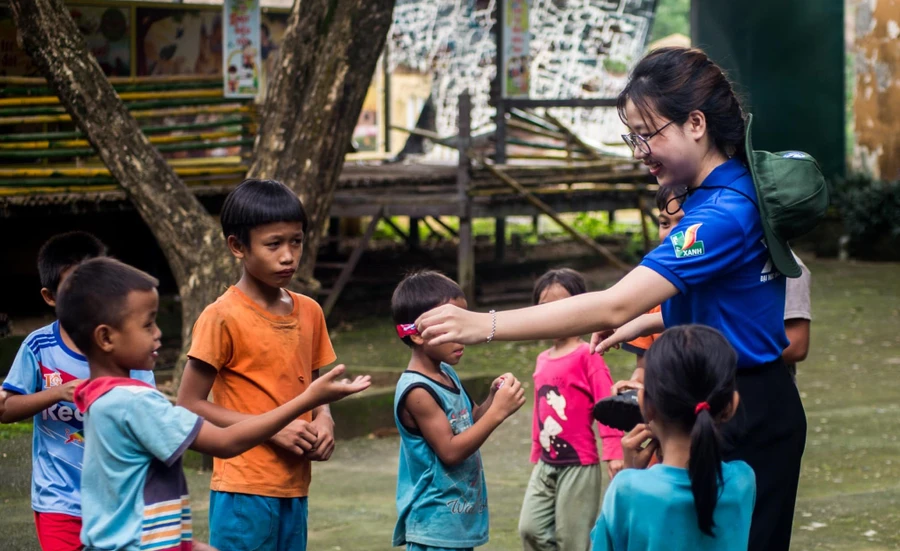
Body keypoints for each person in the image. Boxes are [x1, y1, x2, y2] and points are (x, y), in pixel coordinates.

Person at [414, 47, 808, 551]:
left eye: (648, 133)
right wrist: (647, 321)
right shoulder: (715, 196)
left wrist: (483, 324)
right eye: (633, 136)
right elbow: (732, 301)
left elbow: (613, 302)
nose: (640, 149)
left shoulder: (721, 214)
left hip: (740, 406)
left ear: (695, 123)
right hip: (721, 391)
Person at [56, 257, 369, 551]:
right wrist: (309, 400)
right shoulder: (135, 403)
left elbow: (126, 510)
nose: (158, 333)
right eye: (148, 324)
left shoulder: (98, 396)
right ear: (106, 338)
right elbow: (225, 442)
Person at [176, 179, 339, 551]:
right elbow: (189, 403)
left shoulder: (309, 311)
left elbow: (314, 388)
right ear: (238, 246)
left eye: (296, 241)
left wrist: (325, 418)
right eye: (273, 244)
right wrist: (272, 430)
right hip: (243, 485)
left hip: (295, 485)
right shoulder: (221, 317)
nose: (288, 256)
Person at [1, 231, 155, 551]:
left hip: (119, 499)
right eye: (74, 287)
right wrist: (57, 393)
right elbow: (5, 408)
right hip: (59, 501)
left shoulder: (128, 346)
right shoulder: (39, 346)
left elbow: (149, 412)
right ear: (50, 296)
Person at [391, 271, 526, 551]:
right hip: (434, 523)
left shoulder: (446, 373)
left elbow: (471, 420)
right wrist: (498, 413)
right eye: (451, 325)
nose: (462, 334)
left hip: (457, 518)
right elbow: (450, 451)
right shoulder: (418, 391)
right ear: (417, 335)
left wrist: (493, 398)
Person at [590, 325, 755, 551]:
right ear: (731, 405)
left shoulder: (627, 490)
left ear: (645, 405)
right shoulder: (744, 481)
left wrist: (629, 471)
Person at [518, 268, 623, 551]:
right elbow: (540, 408)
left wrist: (613, 453)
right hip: (546, 461)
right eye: (544, 307)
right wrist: (535, 450)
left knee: (572, 541)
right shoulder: (542, 359)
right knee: (530, 530)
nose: (553, 314)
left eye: (562, 306)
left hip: (579, 463)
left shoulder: (588, 355)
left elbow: (607, 405)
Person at [619, 184, 688, 380]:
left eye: (684, 222)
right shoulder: (651, 295)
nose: (672, 234)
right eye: (665, 224)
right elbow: (643, 368)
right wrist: (635, 385)